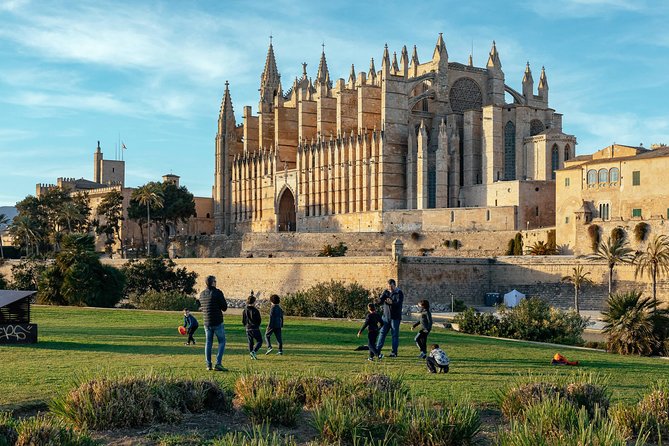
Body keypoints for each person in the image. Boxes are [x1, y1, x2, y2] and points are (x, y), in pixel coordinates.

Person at [199, 275, 228, 371]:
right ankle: (218, 363)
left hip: (206, 322)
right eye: (215, 281)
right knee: (222, 341)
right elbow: (224, 307)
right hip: (217, 321)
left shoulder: (202, 294)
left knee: (208, 343)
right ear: (213, 282)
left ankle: (208, 364)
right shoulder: (217, 293)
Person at [376, 279, 404, 357]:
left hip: (395, 318)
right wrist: (379, 300)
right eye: (388, 286)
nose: (390, 288)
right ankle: (377, 350)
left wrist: (392, 303)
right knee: (382, 333)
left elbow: (399, 303)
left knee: (394, 335)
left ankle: (394, 352)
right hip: (385, 317)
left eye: (391, 286)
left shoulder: (399, 293)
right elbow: (380, 301)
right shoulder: (386, 292)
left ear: (395, 285)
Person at [242, 292, 263, 359]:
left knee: (250, 342)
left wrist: (245, 325)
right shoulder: (255, 310)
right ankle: (254, 351)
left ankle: (251, 354)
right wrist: (257, 325)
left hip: (248, 328)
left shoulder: (244, 310)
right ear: (254, 302)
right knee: (259, 341)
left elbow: (243, 320)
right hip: (255, 328)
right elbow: (259, 320)